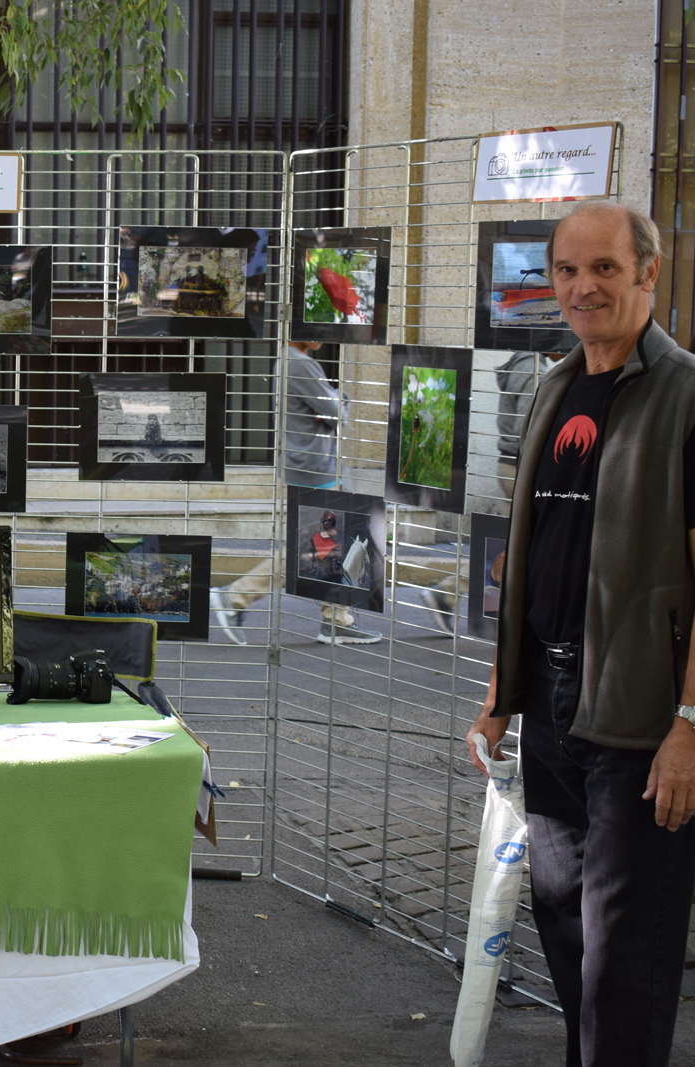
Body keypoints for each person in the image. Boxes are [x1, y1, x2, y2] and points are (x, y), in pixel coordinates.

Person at [465, 201, 695, 1067]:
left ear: (648, 272)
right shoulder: (555, 385)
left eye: (604, 267)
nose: (583, 286)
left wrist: (690, 725)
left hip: (642, 719)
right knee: (566, 931)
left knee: (624, 962)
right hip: (555, 708)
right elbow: (533, 561)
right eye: (567, 270)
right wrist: (500, 698)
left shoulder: (686, 396)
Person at [211, 340, 382, 646]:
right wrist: (339, 398)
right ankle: (234, 597)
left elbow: (327, 413)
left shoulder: (289, 360)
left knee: (330, 544)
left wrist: (330, 406)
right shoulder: (301, 363)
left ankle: (336, 621)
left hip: (309, 466)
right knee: (307, 549)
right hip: (313, 469)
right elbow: (336, 413)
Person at [418, 351, 555, 634]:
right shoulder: (533, 370)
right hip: (522, 468)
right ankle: (448, 595)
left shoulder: (526, 365)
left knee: (514, 545)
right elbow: (526, 428)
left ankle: (447, 595)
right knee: (526, 544)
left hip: (511, 465)